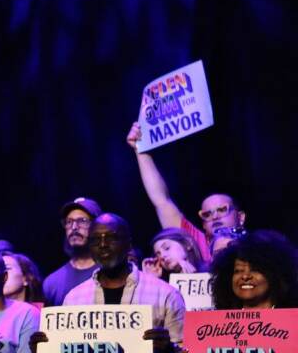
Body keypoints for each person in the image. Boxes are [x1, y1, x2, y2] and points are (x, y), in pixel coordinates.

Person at [38, 213, 185, 352]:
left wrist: (169, 349)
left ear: (128, 244)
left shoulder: (165, 294)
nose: (103, 244)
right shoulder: (74, 298)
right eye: (95, 239)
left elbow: (185, 348)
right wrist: (43, 349)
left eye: (111, 238)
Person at [126, 122, 246, 263]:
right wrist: (140, 150)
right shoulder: (197, 243)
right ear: (203, 224)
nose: (214, 217)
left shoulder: (259, 247)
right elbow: (162, 201)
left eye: (222, 210)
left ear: (241, 217)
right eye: (206, 214)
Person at [210, 230, 298, 309]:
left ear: (276, 275)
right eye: (238, 270)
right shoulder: (217, 323)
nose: (245, 276)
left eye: (255, 270)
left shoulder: (293, 320)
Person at [42, 197, 102, 306]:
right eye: (69, 222)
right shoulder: (52, 283)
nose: (74, 227)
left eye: (82, 221)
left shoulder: (112, 273)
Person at [142, 228, 206, 281]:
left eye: (167, 248)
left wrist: (195, 279)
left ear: (187, 244)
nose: (162, 256)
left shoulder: (210, 272)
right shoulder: (168, 286)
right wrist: (152, 279)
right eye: (158, 254)